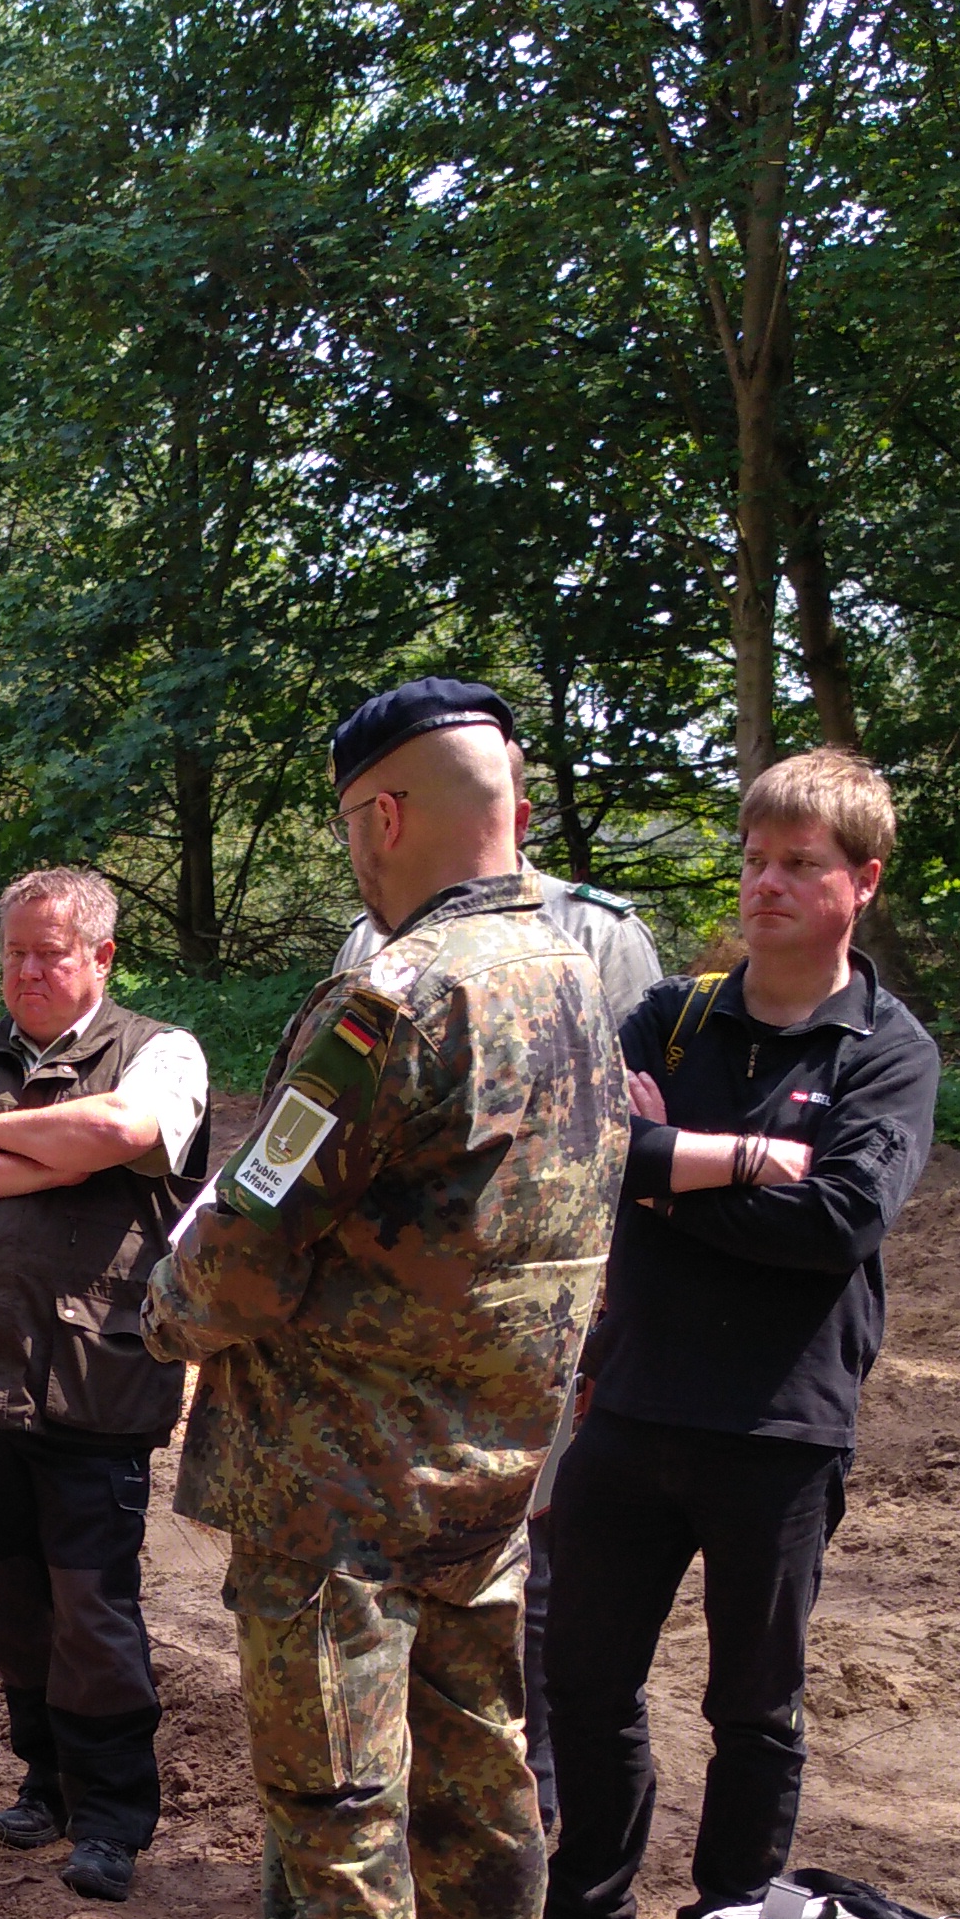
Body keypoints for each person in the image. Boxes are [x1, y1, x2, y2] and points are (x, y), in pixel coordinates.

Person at [124, 680, 623, 1919]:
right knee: (480, 1775)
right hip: (488, 1471)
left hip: (338, 1491)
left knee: (337, 1819)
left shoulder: (389, 1003)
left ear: (379, 819)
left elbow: (245, 1247)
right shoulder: (585, 975)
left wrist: (165, 1307)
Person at [538, 747, 942, 1919]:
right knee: (586, 1684)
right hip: (631, 1407)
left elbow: (838, 1221)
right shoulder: (673, 1016)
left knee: (752, 1710)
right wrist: (737, 1163)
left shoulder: (886, 1050)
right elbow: (584, 1149)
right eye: (757, 859)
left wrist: (671, 1173)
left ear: (860, 884)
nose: (767, 885)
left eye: (801, 865)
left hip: (781, 1427)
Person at [328, 699, 663, 1852]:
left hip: (541, 1322)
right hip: (403, 1350)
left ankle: (536, 1794)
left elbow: (625, 1140)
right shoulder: (376, 947)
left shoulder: (602, 939)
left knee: (528, 1577)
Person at [0, 867, 212, 1906]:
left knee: (93, 1615)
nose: (28, 971)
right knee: (8, 1605)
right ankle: (47, 1783)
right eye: (15, 952)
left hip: (92, 1387)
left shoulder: (159, 1051)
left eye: (52, 953)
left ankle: (112, 1817)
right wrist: (43, 1153)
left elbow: (122, 1134)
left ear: (101, 958)